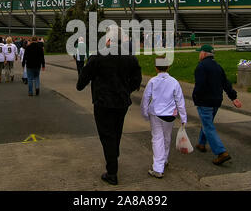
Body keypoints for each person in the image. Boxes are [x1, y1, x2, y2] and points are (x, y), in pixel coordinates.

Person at [76, 25, 142, 186]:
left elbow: (83, 77)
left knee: (106, 134)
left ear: (108, 40)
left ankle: (112, 172)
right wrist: (126, 90)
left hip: (103, 101)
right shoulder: (130, 57)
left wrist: (81, 84)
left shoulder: (98, 56)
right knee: (116, 130)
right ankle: (114, 154)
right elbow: (137, 80)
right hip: (121, 101)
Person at [192, 44, 242, 165]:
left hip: (205, 101)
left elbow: (199, 85)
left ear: (203, 54)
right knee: (207, 123)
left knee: (208, 126)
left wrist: (195, 97)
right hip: (216, 101)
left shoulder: (201, 67)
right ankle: (201, 144)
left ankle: (221, 152)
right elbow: (226, 83)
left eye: (200, 52)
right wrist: (233, 97)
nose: (199, 54)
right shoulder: (218, 67)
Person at [140, 56, 187, 179]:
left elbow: (145, 98)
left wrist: (145, 113)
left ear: (155, 68)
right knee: (166, 137)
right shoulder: (174, 82)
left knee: (157, 139)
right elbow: (180, 101)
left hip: (155, 113)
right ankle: (164, 159)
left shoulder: (152, 81)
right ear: (168, 66)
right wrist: (183, 118)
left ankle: (158, 168)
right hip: (170, 115)